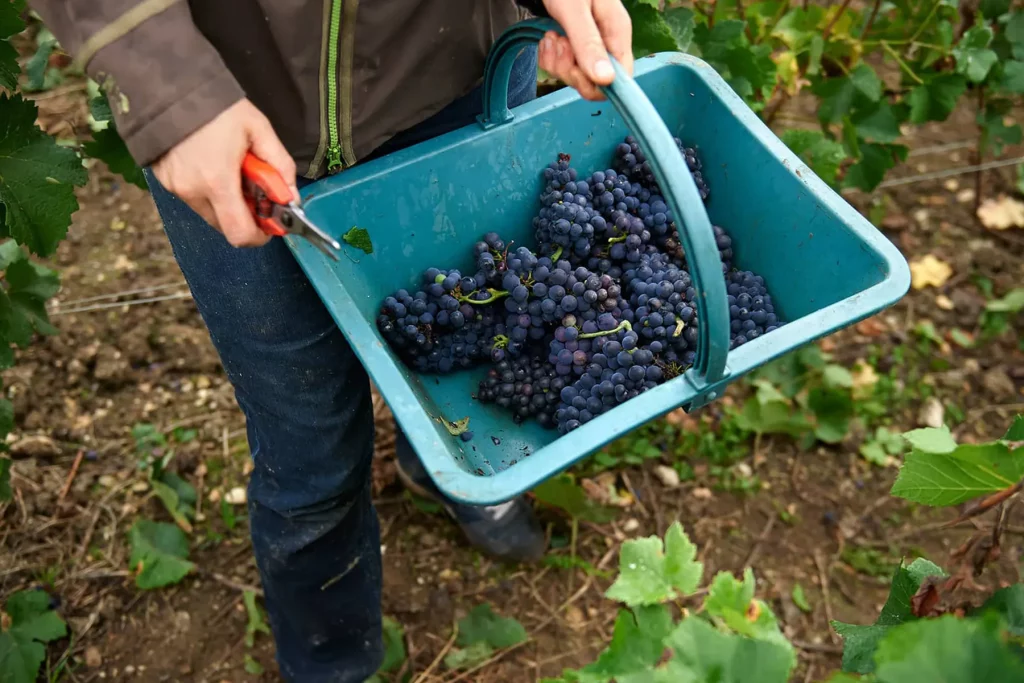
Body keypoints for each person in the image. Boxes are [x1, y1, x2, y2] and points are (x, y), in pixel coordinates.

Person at [29, 1, 633, 680]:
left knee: (464, 331)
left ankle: (443, 472)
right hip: (230, 112)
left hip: (456, 67)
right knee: (308, 452)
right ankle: (330, 665)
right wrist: (170, 85)